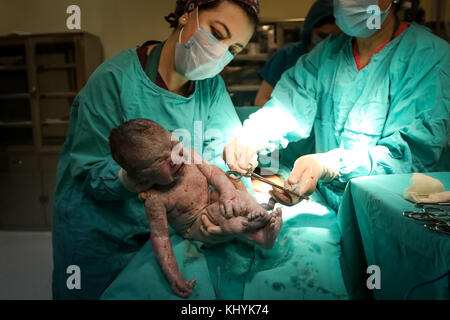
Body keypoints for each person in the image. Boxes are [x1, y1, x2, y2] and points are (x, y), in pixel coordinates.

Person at [52, 0, 260, 300]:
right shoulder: (114, 80)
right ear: (187, 13)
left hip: (172, 231)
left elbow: (221, 155)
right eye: (217, 32)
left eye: (234, 49)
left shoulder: (211, 88)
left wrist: (227, 200)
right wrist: (133, 176)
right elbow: (91, 174)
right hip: (105, 238)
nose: (220, 51)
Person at [198, 0, 450, 237]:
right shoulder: (328, 54)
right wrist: (253, 136)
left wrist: (330, 165)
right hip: (332, 216)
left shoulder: (430, 58)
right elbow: (289, 107)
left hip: (395, 223)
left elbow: (409, 156)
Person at [109, 119, 283, 298]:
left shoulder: (190, 156)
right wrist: (174, 275)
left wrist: (227, 193)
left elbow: (214, 173)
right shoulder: (155, 199)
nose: (175, 158)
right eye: (161, 160)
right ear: (142, 177)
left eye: (173, 145)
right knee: (222, 214)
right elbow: (160, 238)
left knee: (239, 196)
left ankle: (260, 217)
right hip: (196, 223)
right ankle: (259, 236)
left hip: (212, 199)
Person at [254, 0, 341, 107]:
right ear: (310, 30)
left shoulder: (345, 61)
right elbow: (261, 99)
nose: (327, 43)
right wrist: (288, 114)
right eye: (322, 36)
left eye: (335, 39)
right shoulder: (288, 55)